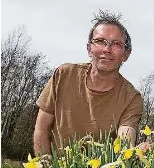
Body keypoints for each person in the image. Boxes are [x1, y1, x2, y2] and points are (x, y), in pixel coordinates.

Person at [34, 10, 144, 156]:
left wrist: (133, 151)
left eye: (116, 44)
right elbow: (41, 129)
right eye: (100, 41)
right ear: (89, 49)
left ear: (126, 55)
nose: (107, 49)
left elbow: (125, 138)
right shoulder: (64, 75)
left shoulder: (131, 98)